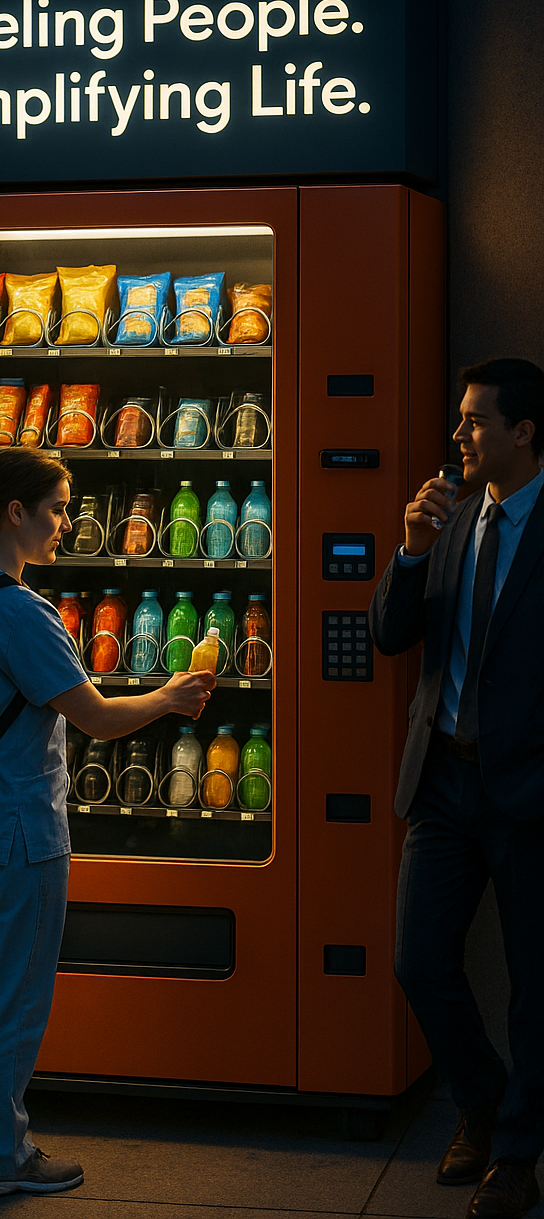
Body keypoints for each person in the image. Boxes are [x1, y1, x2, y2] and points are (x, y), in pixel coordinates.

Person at [0, 446, 212, 1197]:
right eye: (56, 508)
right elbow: (92, 716)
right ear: (14, 513)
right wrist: (171, 698)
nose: (65, 522)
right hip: (15, 833)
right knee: (11, 1000)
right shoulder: (21, 611)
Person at [370, 358, 544, 1219]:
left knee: (535, 982)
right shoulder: (448, 515)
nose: (458, 434)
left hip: (531, 794)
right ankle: (483, 1105)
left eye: (476, 421)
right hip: (442, 781)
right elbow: (388, 635)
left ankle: (513, 1156)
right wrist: (410, 550)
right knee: (418, 962)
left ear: (525, 432)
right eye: (461, 419)